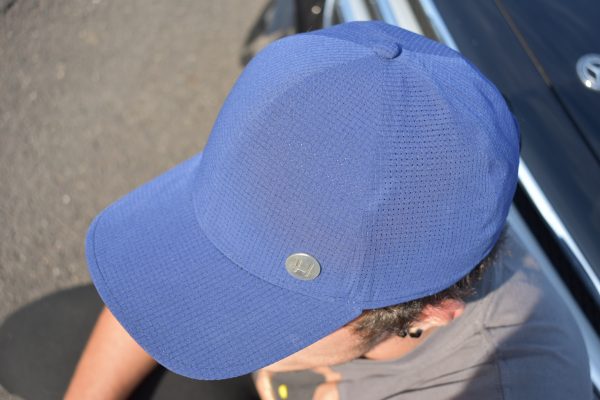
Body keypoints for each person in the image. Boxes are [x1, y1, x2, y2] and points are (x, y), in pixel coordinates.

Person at [64, 20, 593, 399]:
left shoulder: (501, 383)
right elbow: (165, 270)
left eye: (267, 309)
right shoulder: (292, 137)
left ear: (430, 313)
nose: (205, 309)